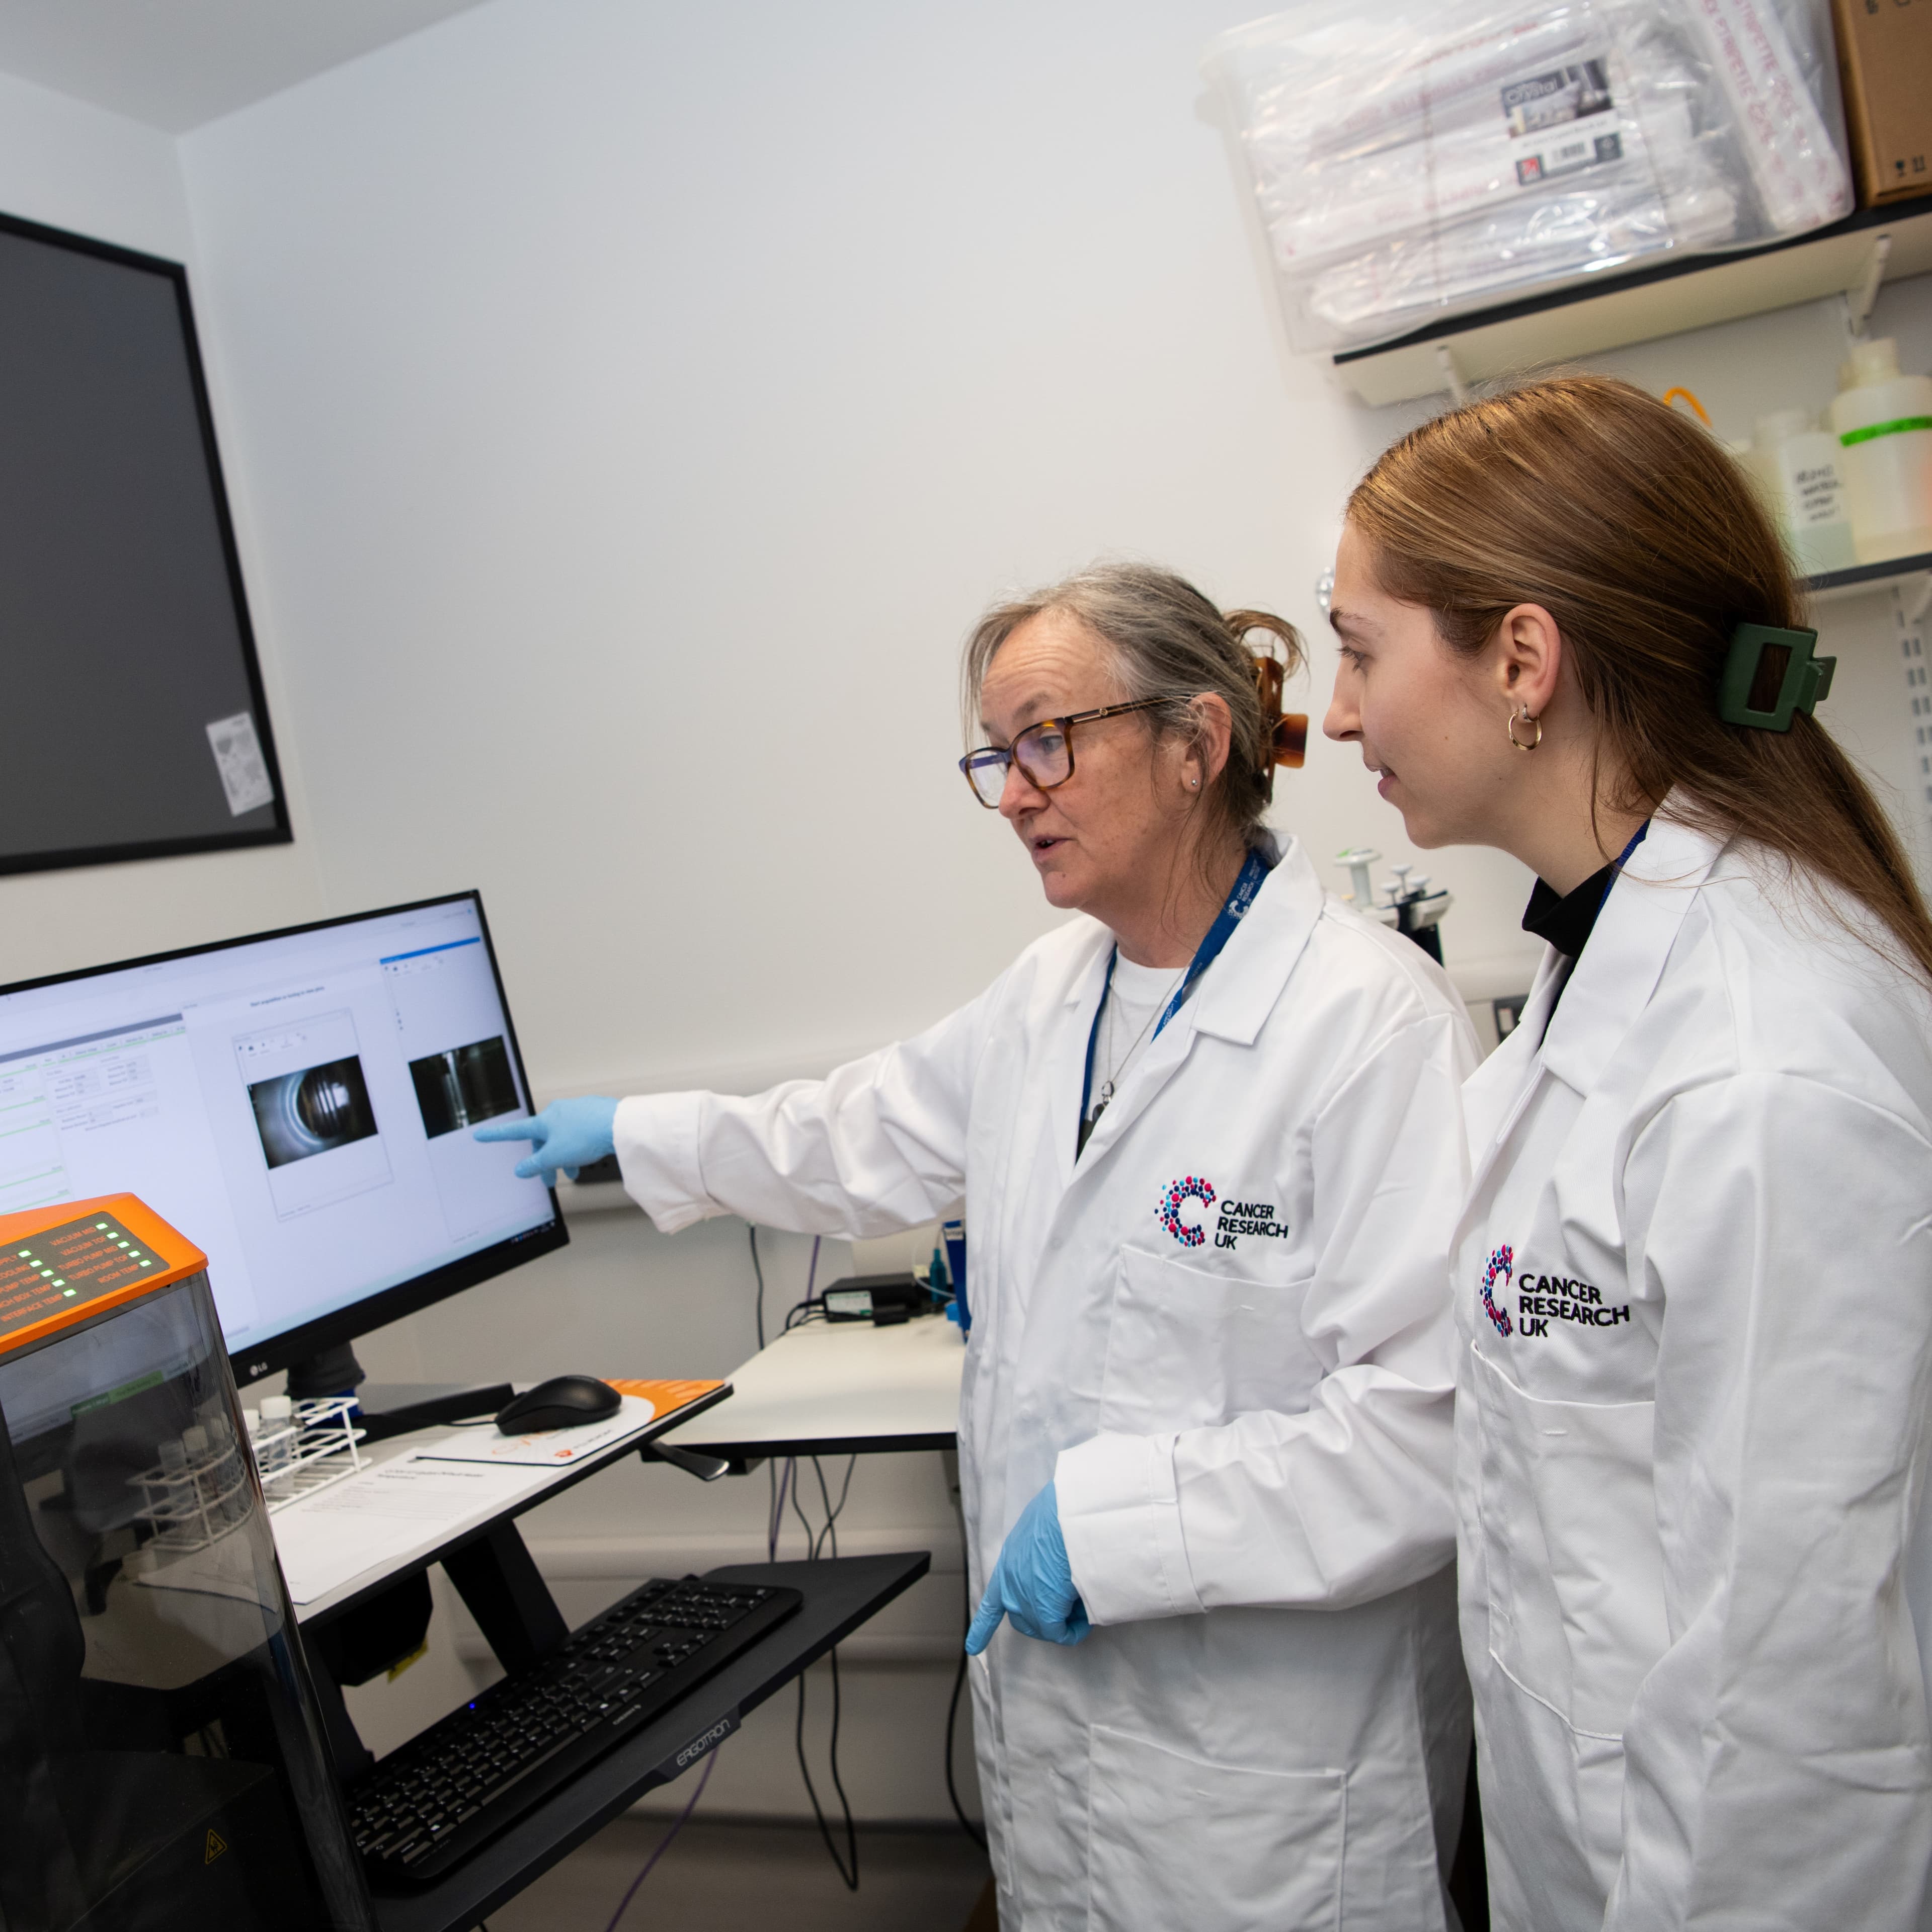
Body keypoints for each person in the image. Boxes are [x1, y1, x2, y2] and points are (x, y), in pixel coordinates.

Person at [481, 562, 1478, 1930]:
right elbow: (851, 1131)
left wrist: (1128, 1524)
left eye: (1049, 742)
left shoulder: (1371, 1026)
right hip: (1066, 1742)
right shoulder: (1050, 991)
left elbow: (1423, 1435)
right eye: (997, 756)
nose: (1014, 793)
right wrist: (633, 1134)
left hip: (1269, 1775)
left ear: (1196, 742)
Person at [1324, 373, 1932, 1931]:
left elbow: (1790, 1724)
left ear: (1521, 659)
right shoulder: (1603, 961)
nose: (1335, 715)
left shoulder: (1760, 1067)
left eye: (1359, 649)